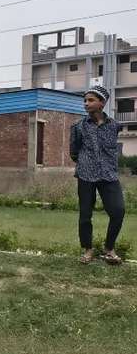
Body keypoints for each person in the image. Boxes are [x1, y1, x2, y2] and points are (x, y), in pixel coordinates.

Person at [69, 85, 126, 265]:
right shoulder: (78, 127)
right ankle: (88, 250)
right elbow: (74, 151)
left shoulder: (115, 126)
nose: (86, 104)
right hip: (86, 175)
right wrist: (86, 162)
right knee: (85, 215)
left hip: (109, 175)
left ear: (102, 103)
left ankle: (109, 249)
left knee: (118, 211)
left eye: (91, 100)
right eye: (85, 100)